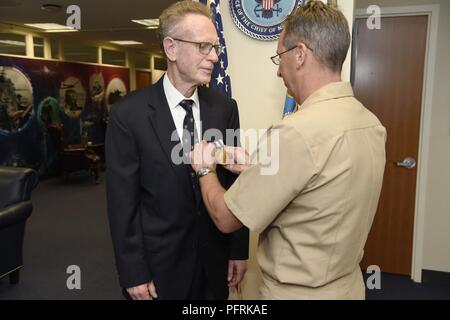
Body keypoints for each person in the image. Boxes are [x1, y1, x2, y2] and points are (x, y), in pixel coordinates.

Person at [190, 1, 386, 299]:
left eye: (279, 56)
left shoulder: (296, 132)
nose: (279, 71)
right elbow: (319, 186)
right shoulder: (369, 123)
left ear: (300, 54)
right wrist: (257, 168)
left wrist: (204, 169)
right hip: (347, 288)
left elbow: (225, 217)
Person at [106, 1, 249, 300]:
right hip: (160, 271)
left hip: (214, 264)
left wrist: (238, 249)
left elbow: (235, 184)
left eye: (215, 48)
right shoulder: (128, 115)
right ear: (171, 48)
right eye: (203, 47)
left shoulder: (224, 109)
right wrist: (134, 272)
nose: (213, 57)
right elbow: (123, 204)